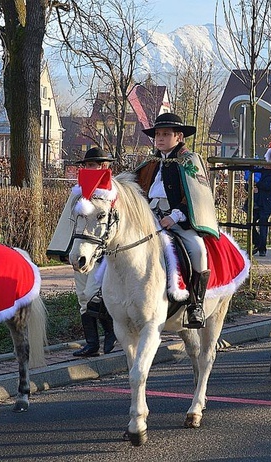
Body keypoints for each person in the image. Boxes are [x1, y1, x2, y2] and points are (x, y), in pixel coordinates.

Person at [134, 113, 220, 329]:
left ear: (179, 136)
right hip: (148, 218)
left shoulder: (190, 162)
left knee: (198, 249)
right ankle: (104, 296)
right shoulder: (149, 164)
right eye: (157, 135)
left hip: (178, 220)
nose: (160, 138)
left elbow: (197, 195)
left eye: (165, 134)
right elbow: (135, 189)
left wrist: (173, 217)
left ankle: (195, 304)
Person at [47, 147, 117, 357]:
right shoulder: (78, 192)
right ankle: (92, 343)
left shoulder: (113, 193)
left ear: (104, 166)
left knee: (93, 293)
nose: (89, 168)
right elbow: (69, 223)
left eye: (93, 165)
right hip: (80, 250)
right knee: (82, 297)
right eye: (87, 165)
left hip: (100, 251)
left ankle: (111, 332)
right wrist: (64, 248)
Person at [244, 162, 271, 257]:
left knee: (263, 223)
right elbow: (248, 183)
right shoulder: (258, 170)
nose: (266, 165)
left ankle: (262, 248)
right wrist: (251, 187)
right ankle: (258, 242)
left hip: (267, 203)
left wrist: (258, 185)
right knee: (250, 222)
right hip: (255, 202)